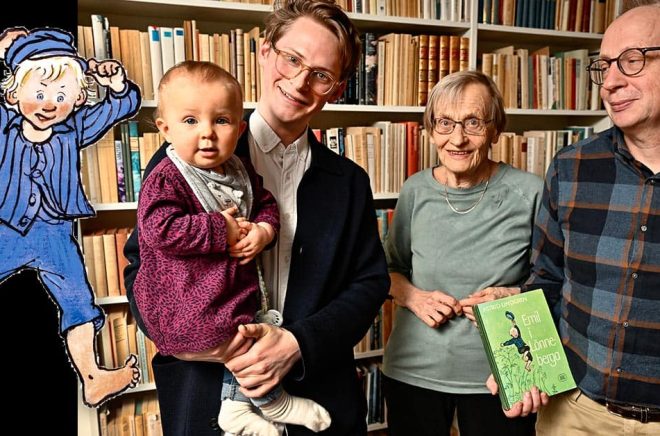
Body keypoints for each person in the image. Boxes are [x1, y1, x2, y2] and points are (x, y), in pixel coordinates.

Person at [123, 1, 390, 435]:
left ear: (336, 89)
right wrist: (189, 341)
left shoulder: (350, 182)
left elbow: (370, 283)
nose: (300, 82)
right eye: (292, 59)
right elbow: (141, 265)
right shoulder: (184, 159)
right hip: (206, 391)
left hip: (318, 391)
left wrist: (297, 343)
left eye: (321, 75)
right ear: (265, 52)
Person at [133, 61, 333, 436]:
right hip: (186, 302)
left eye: (221, 121)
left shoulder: (238, 169)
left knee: (249, 338)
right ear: (165, 129)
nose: (207, 134)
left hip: (230, 299)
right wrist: (217, 228)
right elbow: (158, 229)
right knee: (241, 341)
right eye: (190, 121)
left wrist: (264, 230)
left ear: (238, 129)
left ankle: (237, 404)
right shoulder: (167, 175)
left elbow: (266, 203)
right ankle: (267, 403)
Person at [487, 4, 660, 433]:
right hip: (574, 413)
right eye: (604, 67)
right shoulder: (571, 167)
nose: (612, 82)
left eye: (632, 61)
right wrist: (521, 370)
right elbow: (546, 280)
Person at [382, 70, 543, 436]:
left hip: (501, 374)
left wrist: (514, 296)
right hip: (413, 369)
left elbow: (554, 282)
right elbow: (389, 269)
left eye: (472, 122)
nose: (458, 138)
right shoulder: (415, 190)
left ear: (495, 130)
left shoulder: (531, 192)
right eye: (444, 123)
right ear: (430, 130)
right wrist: (412, 296)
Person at [0, 27, 140, 407]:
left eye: (62, 96)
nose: (49, 103)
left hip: (56, 233)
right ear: (13, 94)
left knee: (78, 300)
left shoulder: (73, 127)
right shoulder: (4, 124)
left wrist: (116, 85)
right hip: (7, 229)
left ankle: (92, 378)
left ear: (77, 99)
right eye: (40, 93)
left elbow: (124, 105)